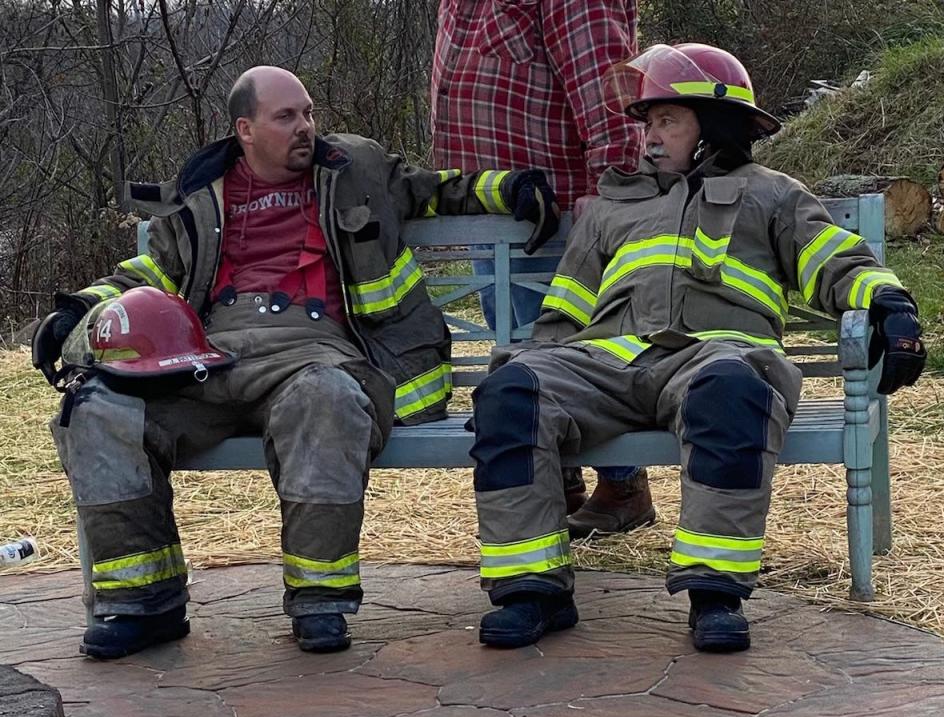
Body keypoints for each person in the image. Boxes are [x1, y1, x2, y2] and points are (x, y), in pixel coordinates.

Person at [31, 65, 559, 660]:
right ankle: (142, 604)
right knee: (98, 409)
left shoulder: (353, 167)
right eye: (287, 116)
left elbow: (437, 188)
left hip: (317, 353)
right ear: (245, 130)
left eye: (308, 112)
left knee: (328, 401)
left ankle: (319, 602)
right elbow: (151, 275)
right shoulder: (202, 194)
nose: (305, 126)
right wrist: (79, 309)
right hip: (209, 359)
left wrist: (513, 189)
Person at [468, 43, 926, 653]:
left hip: (717, 356)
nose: (649, 138)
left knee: (732, 390)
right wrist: (537, 378)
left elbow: (834, 262)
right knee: (512, 390)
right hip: (608, 362)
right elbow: (567, 310)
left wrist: (889, 306)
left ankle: (715, 595)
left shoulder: (774, 194)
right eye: (648, 124)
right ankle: (531, 591)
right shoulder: (611, 207)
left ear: (713, 128)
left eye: (668, 121)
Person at [431, 0, 654, 537]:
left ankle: (623, 485)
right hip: (491, 208)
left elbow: (608, 92)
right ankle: (558, 482)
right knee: (519, 349)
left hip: (557, 221)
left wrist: (611, 200)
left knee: (570, 353)